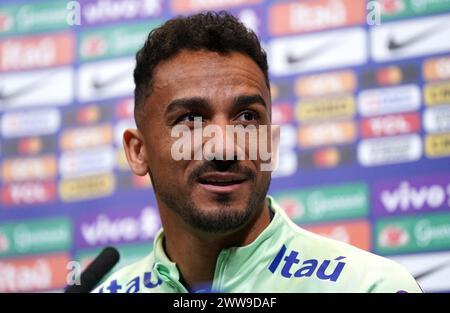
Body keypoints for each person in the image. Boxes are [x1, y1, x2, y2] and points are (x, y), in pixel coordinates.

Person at [94, 11, 422, 293]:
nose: (225, 147)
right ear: (138, 152)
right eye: (190, 120)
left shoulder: (369, 285)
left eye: (247, 117)